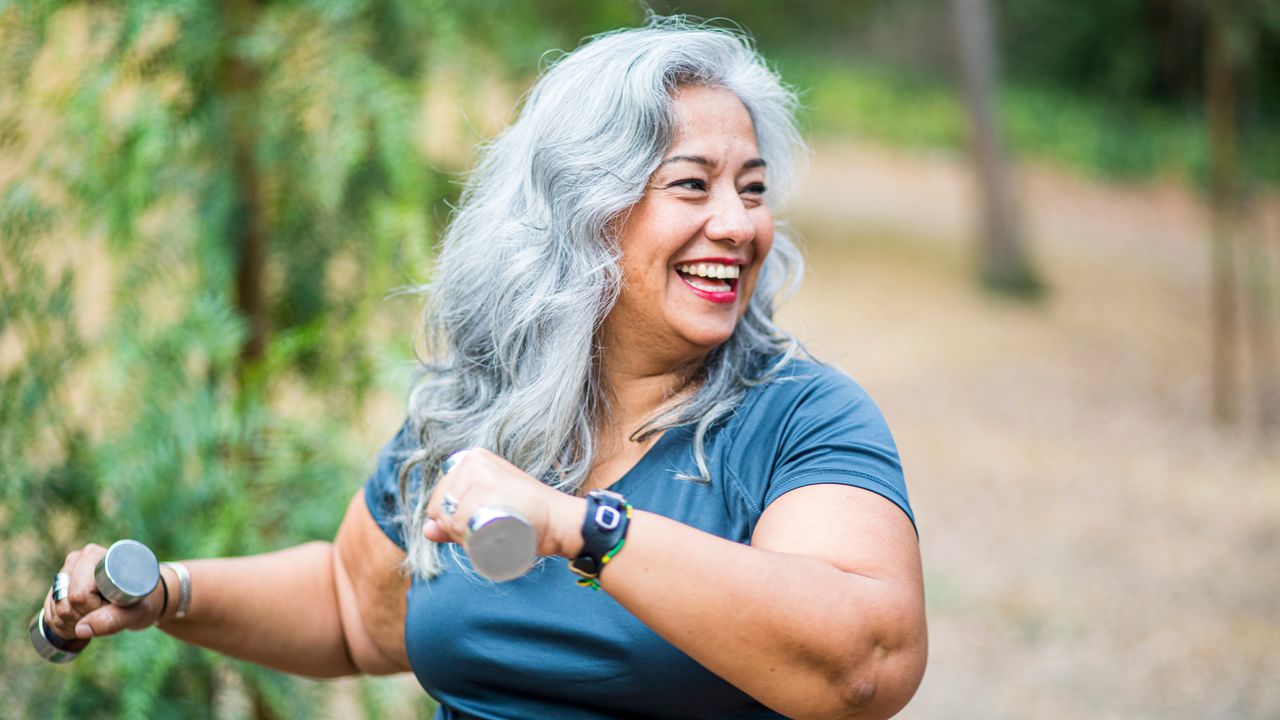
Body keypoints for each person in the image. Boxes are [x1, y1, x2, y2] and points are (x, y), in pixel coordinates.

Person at [44, 16, 926, 720]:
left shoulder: (802, 420)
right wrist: (168, 594)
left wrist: (584, 528)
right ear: (585, 209)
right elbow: (355, 608)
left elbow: (864, 664)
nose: (739, 224)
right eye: (692, 185)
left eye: (754, 188)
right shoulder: (482, 404)